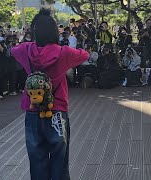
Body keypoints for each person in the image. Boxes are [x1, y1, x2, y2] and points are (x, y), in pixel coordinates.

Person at [11, 9, 90, 180]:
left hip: (33, 111)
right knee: (59, 160)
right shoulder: (63, 52)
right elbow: (85, 55)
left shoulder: (25, 49)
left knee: (36, 158)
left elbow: (13, 50)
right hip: (57, 111)